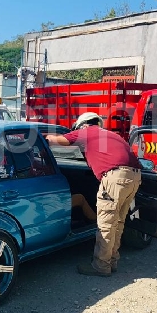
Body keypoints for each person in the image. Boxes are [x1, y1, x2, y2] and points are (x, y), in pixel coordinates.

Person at [45, 112, 142, 277]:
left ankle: (100, 266)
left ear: (82, 125)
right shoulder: (111, 135)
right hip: (134, 177)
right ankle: (112, 261)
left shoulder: (85, 132)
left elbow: (55, 141)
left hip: (115, 177)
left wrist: (39, 137)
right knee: (117, 222)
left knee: (105, 223)